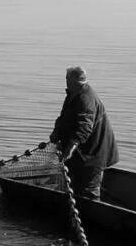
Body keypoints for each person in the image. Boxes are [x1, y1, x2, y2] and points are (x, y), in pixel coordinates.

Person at [49, 66, 119, 201]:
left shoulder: (86, 100)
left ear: (73, 81)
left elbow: (84, 128)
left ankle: (91, 216)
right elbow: (63, 118)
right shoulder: (73, 95)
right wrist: (56, 132)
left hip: (93, 153)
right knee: (74, 185)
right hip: (82, 153)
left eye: (66, 79)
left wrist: (69, 149)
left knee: (89, 190)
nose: (65, 82)